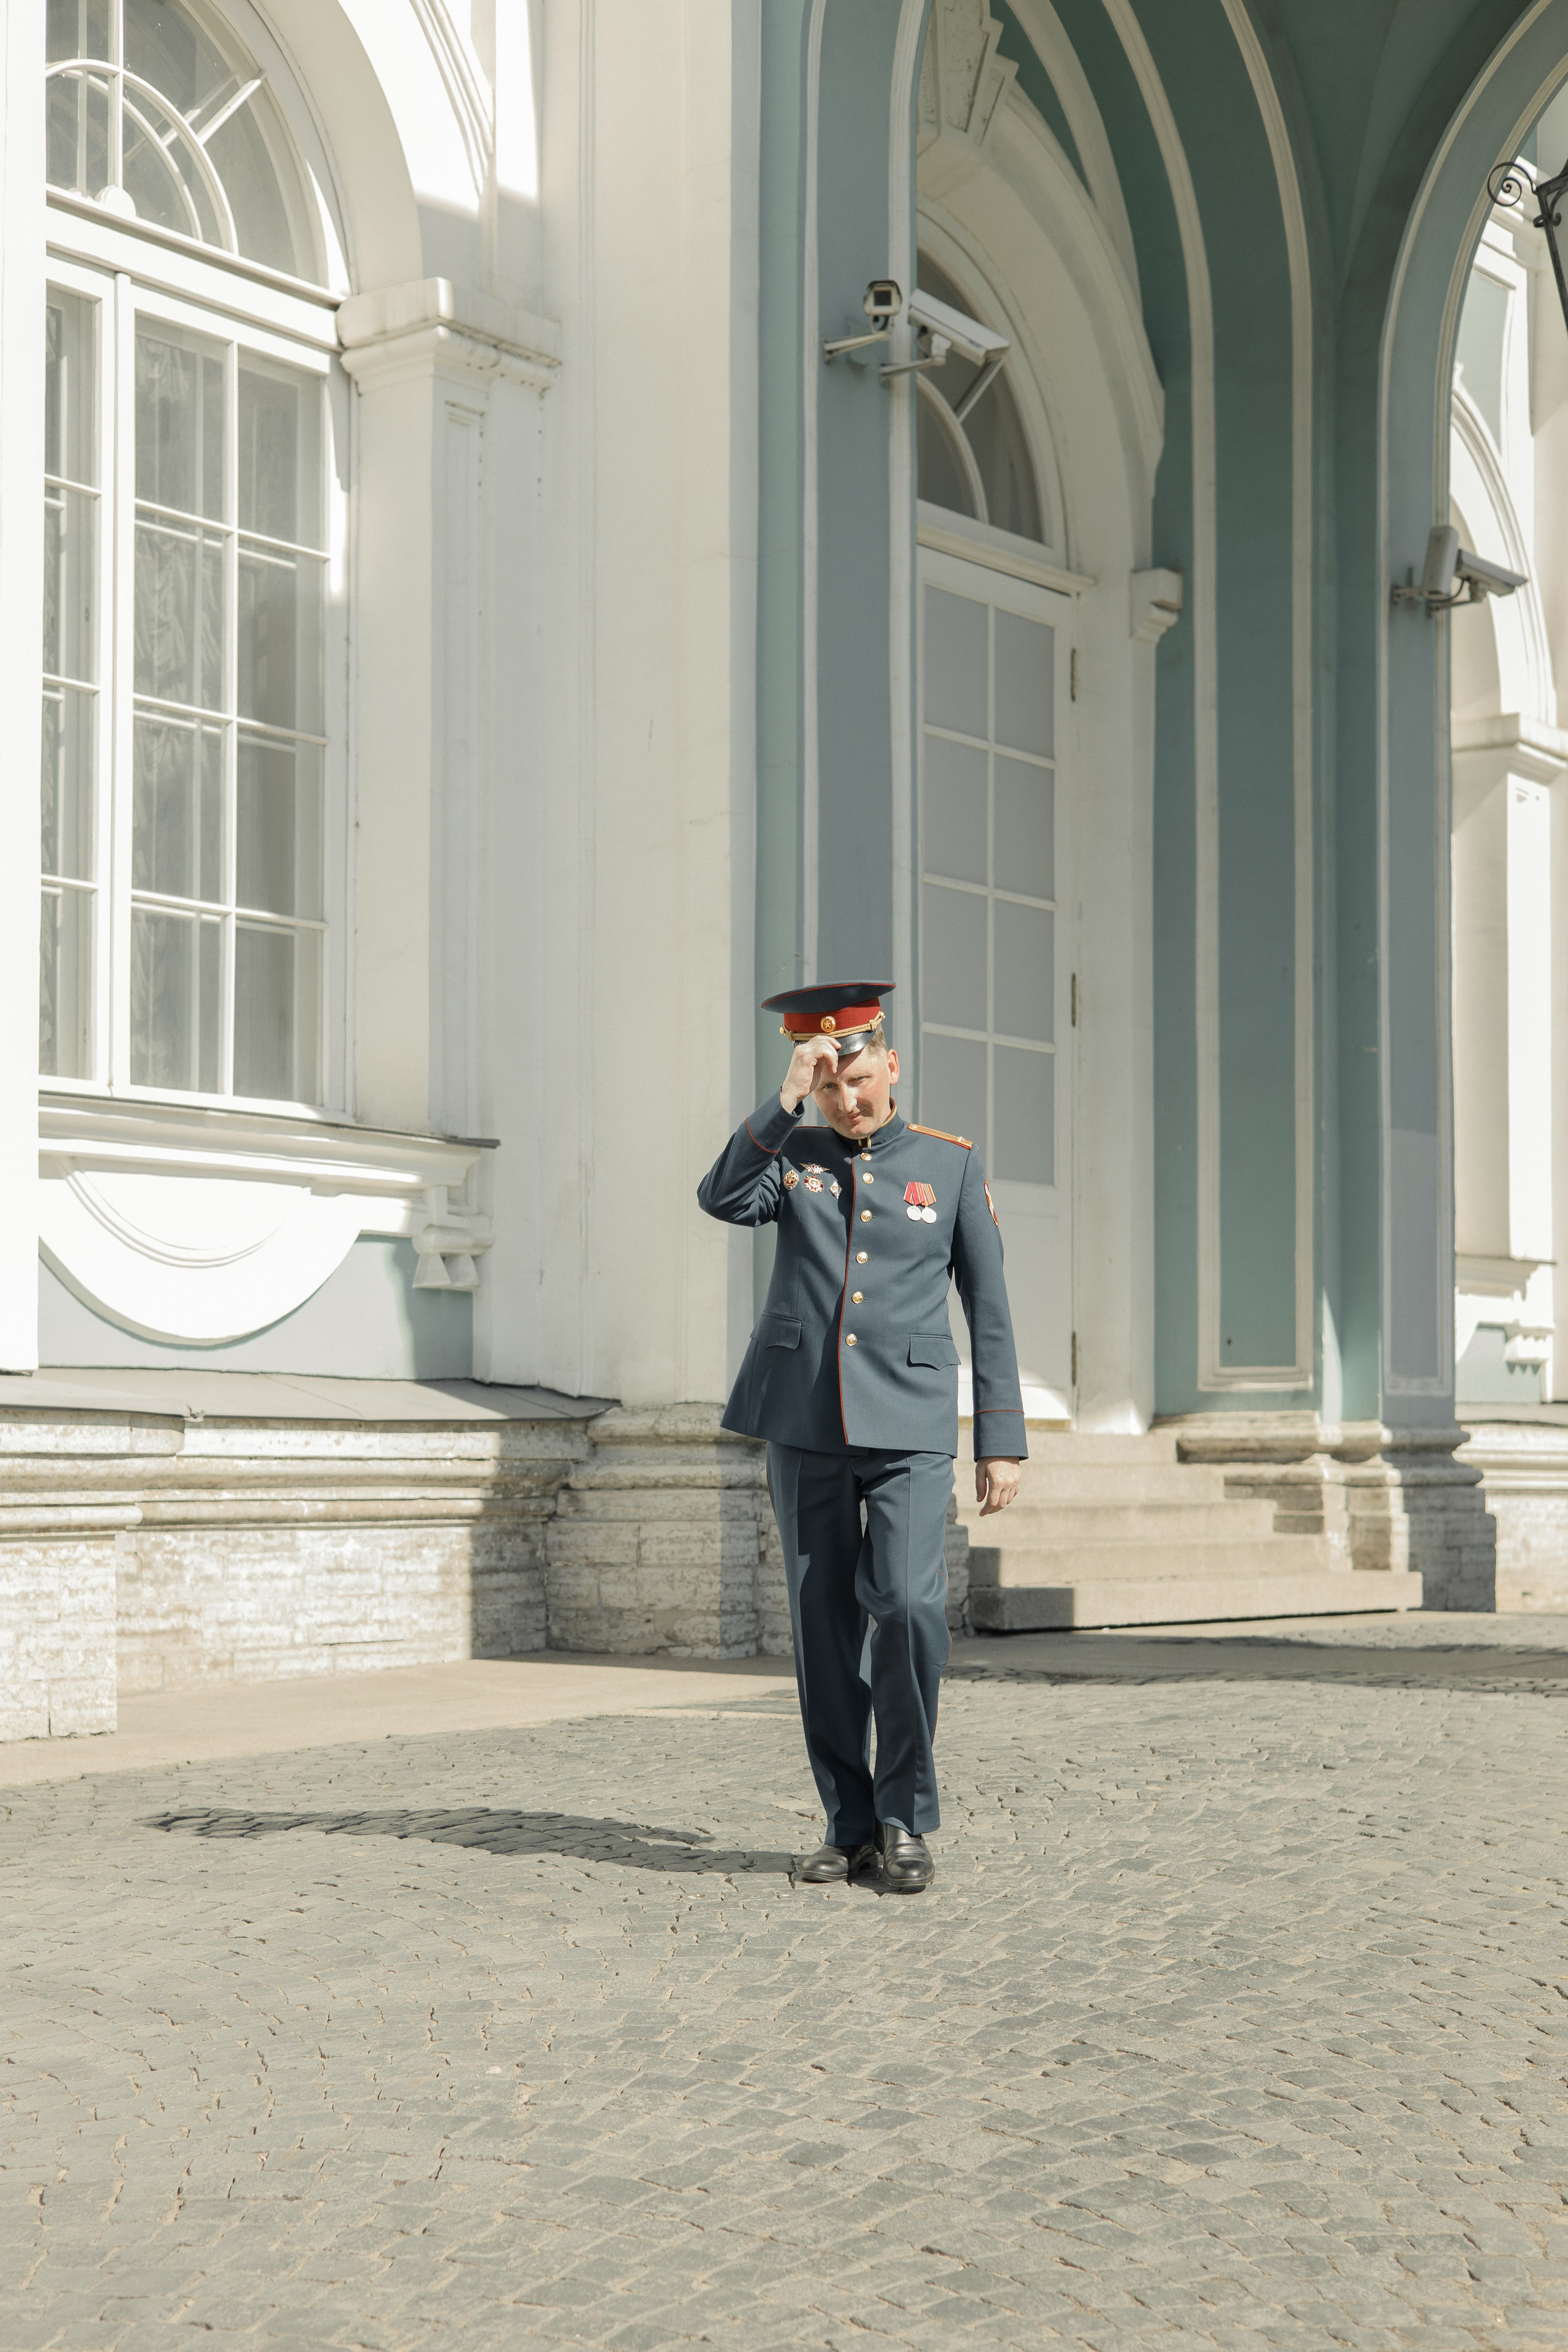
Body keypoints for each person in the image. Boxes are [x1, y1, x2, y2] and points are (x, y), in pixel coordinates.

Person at [697, 981, 1025, 1894]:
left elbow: (988, 1308)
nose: (850, 1102)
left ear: (893, 1067)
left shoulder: (948, 1165)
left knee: (912, 1610)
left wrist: (1000, 1437)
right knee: (821, 1628)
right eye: (832, 1086)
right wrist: (784, 1097)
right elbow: (721, 1198)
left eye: (862, 1080)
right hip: (804, 1417)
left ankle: (904, 1816)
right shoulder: (788, 1150)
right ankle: (849, 1825)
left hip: (911, 1422)